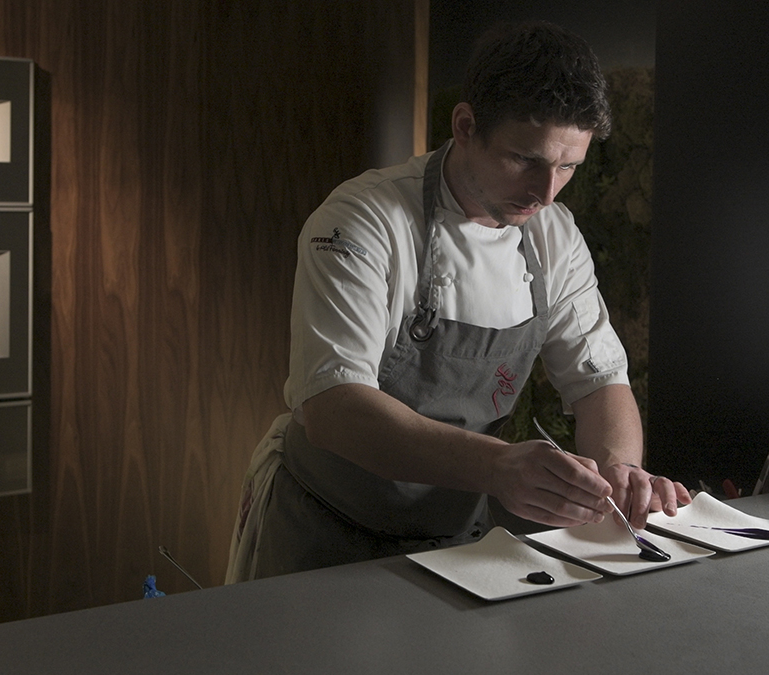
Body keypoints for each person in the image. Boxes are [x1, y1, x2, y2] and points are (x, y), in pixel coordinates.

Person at [226, 20, 690, 583]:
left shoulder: (554, 237)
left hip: (457, 547)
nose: (546, 193)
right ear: (466, 126)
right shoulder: (362, 221)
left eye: (568, 167)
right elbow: (333, 408)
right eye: (526, 159)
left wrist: (619, 472)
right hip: (325, 533)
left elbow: (600, 383)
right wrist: (499, 465)